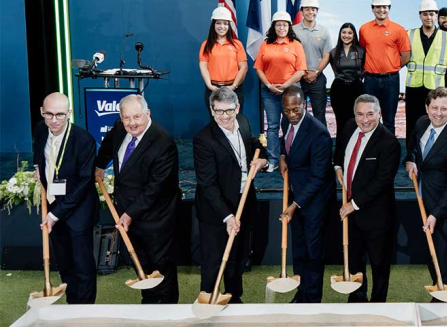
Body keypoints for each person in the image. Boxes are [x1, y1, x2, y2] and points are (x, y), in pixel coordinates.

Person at [95, 95, 180, 303]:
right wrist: (99, 165)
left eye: (137, 117)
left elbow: (155, 189)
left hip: (156, 217)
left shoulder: (163, 142)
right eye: (126, 118)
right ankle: (149, 304)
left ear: (147, 114)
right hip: (127, 211)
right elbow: (108, 145)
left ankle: (166, 310)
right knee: (140, 263)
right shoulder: (120, 127)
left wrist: (130, 213)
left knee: (160, 266)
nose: (132, 123)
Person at [193, 88, 268, 304]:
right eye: (218, 111)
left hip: (244, 202)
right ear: (211, 109)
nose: (224, 117)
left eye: (228, 111)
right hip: (216, 210)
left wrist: (261, 159)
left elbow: (254, 143)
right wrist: (227, 216)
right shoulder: (203, 140)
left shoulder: (243, 122)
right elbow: (207, 185)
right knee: (214, 260)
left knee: (239, 256)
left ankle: (234, 297)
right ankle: (209, 298)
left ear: (238, 108)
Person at [404, 87, 447, 299]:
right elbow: (413, 145)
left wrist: (435, 214)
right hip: (425, 198)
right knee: (430, 255)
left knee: (443, 257)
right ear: (427, 107)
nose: (438, 113)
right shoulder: (422, 123)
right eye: (434, 108)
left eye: (444, 109)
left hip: (446, 208)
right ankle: (438, 290)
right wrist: (411, 159)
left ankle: (445, 298)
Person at [33, 93, 99, 304]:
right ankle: (72, 305)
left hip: (78, 210)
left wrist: (54, 215)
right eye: (49, 114)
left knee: (83, 266)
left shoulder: (83, 140)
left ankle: (85, 311)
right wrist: (38, 167)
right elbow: (39, 151)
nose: (54, 120)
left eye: (60, 115)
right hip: (54, 203)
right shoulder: (41, 128)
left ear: (69, 113)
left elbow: (84, 183)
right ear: (42, 112)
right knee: (65, 263)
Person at [334, 94, 400, 302]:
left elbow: (381, 182)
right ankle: (357, 301)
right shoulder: (348, 127)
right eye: (360, 114)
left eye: (370, 114)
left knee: (379, 265)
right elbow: (339, 152)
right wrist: (337, 167)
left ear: (379, 114)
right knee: (355, 262)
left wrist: (353, 204)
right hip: (351, 214)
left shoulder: (390, 143)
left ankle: (378, 304)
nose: (365, 120)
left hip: (377, 217)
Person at [279, 86, 334, 303]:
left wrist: (294, 205)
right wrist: (283, 156)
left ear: (305, 105)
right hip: (297, 193)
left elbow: (319, 178)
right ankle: (301, 292)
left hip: (314, 201)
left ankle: (312, 299)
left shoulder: (319, 133)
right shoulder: (287, 121)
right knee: (299, 249)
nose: (291, 114)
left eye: (296, 109)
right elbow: (288, 146)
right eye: (287, 110)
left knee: (313, 252)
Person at [255, 11, 307, 171]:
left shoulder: (296, 44)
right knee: (272, 126)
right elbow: (259, 68)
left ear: (289, 26)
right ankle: (273, 160)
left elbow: (301, 71)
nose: (281, 27)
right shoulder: (266, 44)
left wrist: (285, 86)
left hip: (290, 92)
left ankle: (292, 158)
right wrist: (269, 85)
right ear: (274, 26)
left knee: (292, 125)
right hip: (269, 92)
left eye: (284, 24)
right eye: (278, 24)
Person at [359, 0, 411, 136]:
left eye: (385, 7)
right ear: (372, 8)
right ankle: (370, 151)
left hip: (391, 80)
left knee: (389, 120)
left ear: (389, 8)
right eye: (378, 7)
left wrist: (391, 67)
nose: (381, 10)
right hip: (370, 80)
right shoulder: (364, 29)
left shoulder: (398, 30)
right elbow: (364, 51)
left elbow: (406, 56)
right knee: (368, 118)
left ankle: (389, 155)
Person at [405, 0, 447, 141]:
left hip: (435, 88)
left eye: (431, 14)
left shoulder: (446, 37)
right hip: (414, 86)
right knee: (412, 123)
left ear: (436, 16)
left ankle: (431, 156)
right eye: (425, 14)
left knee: (435, 123)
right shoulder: (409, 34)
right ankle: (411, 157)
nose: (428, 17)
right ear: (420, 15)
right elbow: (404, 56)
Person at [199, 7, 248, 114]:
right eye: (218, 23)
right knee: (216, 121)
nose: (222, 26)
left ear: (229, 25)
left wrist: (234, 86)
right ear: (213, 24)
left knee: (235, 120)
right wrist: (209, 85)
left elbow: (243, 67)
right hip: (213, 89)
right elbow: (203, 66)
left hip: (234, 89)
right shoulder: (206, 44)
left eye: (225, 23)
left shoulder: (237, 44)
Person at [293, 0, 333, 127]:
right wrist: (303, 73)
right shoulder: (293, 31)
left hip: (317, 78)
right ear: (302, 11)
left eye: (314, 9)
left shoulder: (324, 31)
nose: (311, 12)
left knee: (319, 116)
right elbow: (292, 56)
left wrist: (316, 72)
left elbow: (326, 55)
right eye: (307, 9)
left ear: (317, 11)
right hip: (298, 79)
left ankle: (322, 146)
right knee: (298, 115)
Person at [329, 23, 366, 130]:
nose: (346, 35)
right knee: (340, 121)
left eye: (350, 33)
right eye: (344, 32)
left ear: (354, 35)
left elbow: (365, 69)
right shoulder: (333, 52)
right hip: (338, 89)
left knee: (356, 121)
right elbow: (335, 69)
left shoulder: (361, 51)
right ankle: (341, 146)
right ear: (340, 34)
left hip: (356, 89)